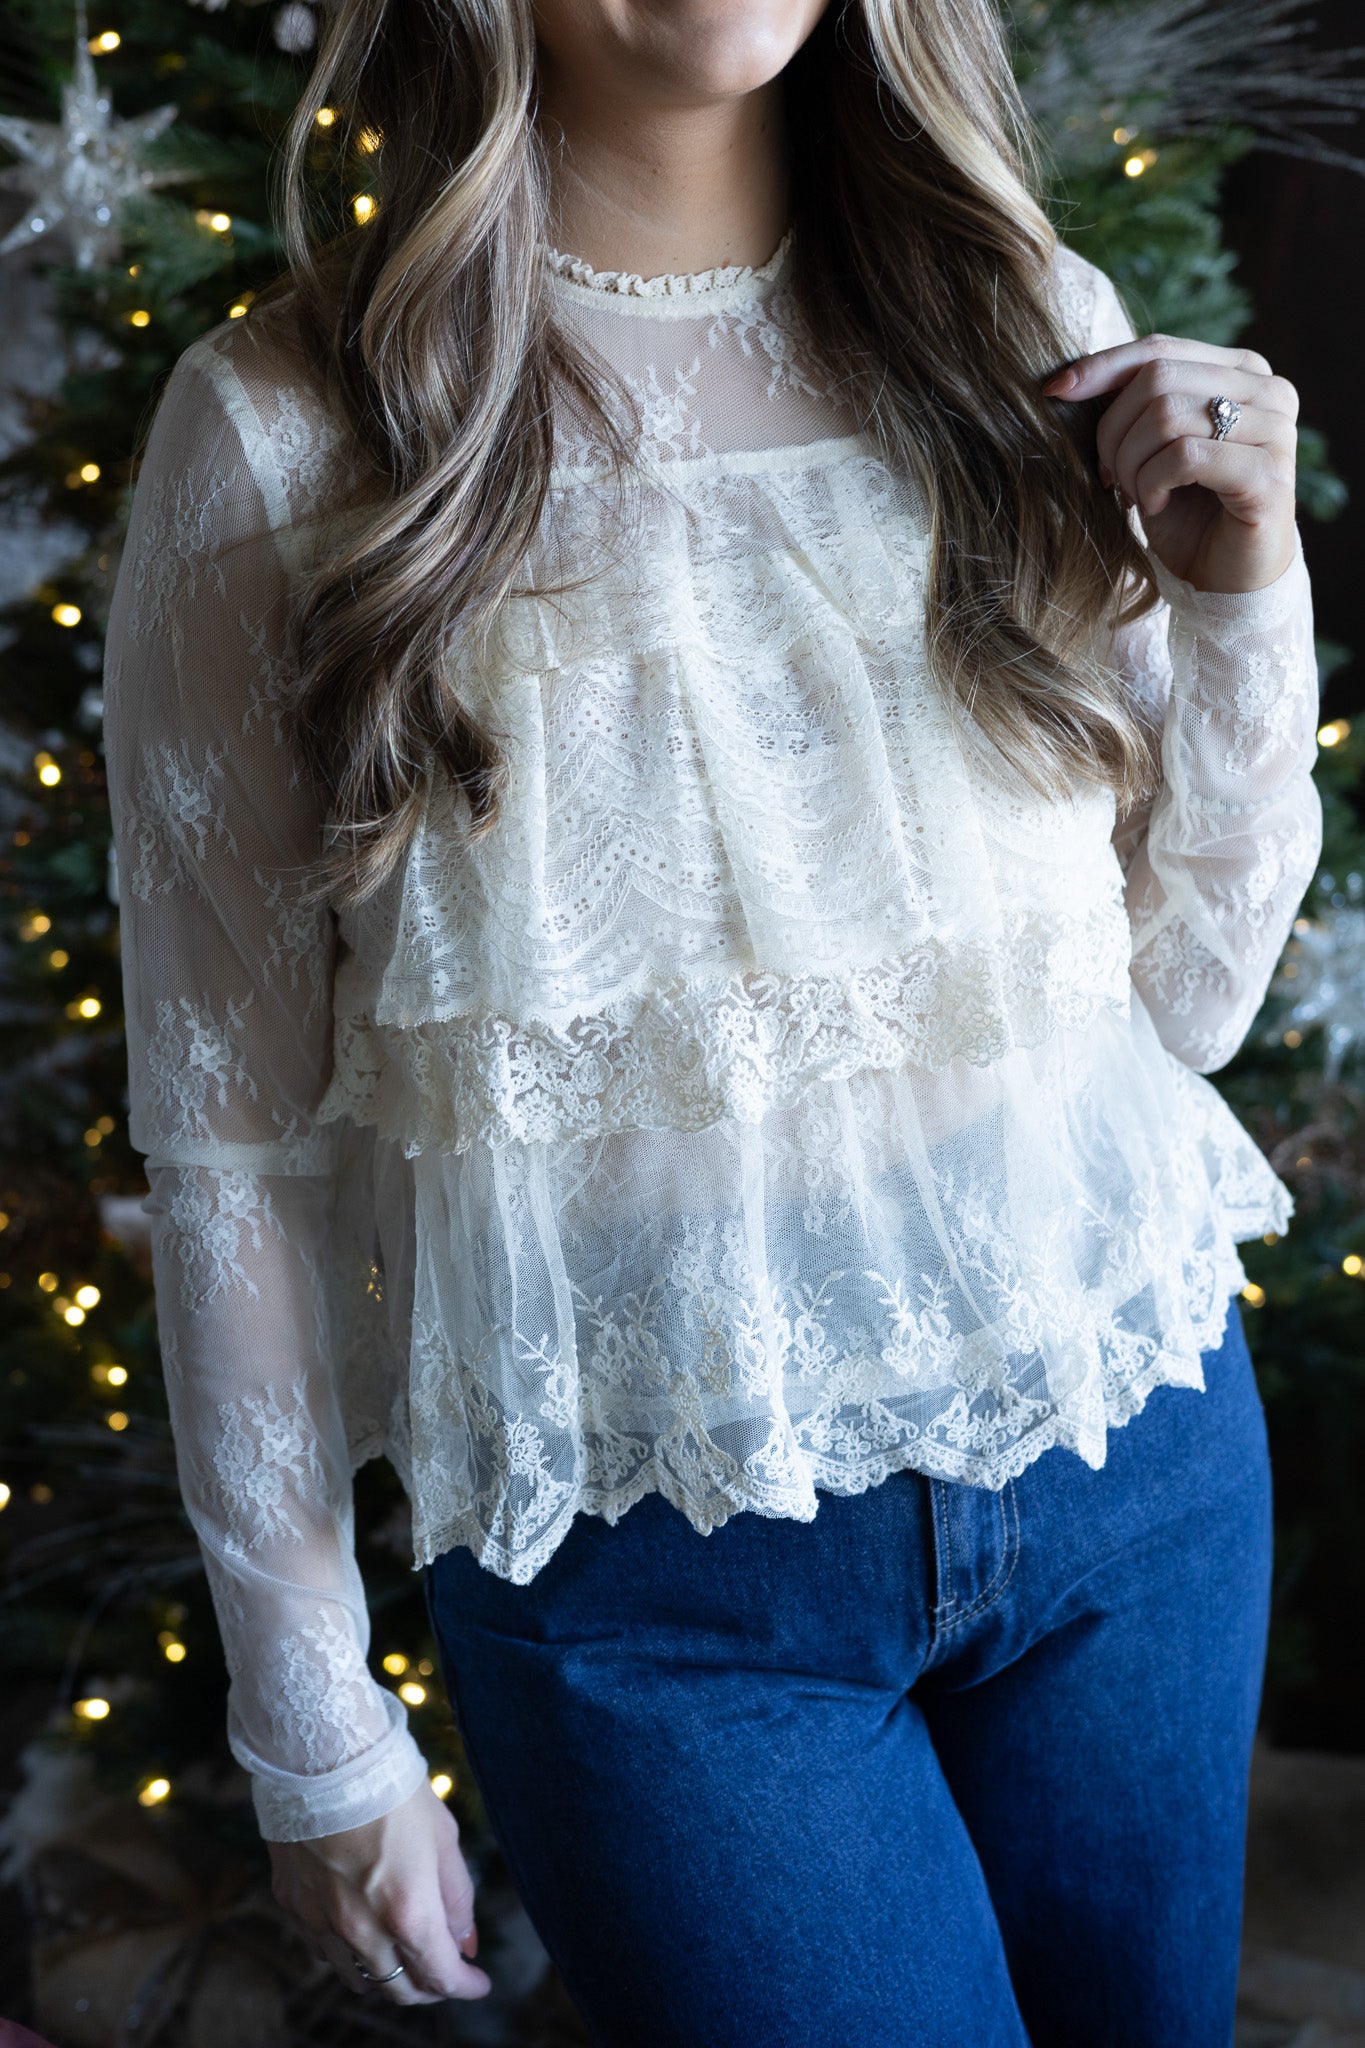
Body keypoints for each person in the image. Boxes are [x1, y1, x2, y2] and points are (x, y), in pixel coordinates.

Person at [102, 0, 1320, 2040]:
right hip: (653, 1600)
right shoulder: (286, 429)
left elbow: (1177, 1007)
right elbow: (229, 1137)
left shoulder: (1026, 315)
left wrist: (1238, 598)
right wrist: (313, 1726)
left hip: (1133, 1455)